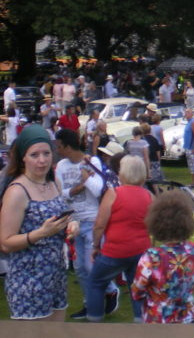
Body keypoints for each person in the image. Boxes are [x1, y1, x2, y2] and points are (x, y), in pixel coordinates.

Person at [0, 125, 79, 321]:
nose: (42, 160)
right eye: (34, 155)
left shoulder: (54, 184)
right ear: (23, 158)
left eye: (46, 153)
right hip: (28, 281)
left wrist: (71, 225)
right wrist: (41, 233)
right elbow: (5, 243)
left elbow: (59, 219)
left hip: (56, 277)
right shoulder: (17, 191)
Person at [54, 128, 119, 319]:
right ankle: (89, 303)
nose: (57, 150)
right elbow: (61, 194)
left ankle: (111, 290)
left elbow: (99, 190)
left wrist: (86, 180)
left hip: (92, 221)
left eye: (59, 146)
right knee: (81, 269)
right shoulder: (61, 166)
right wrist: (79, 187)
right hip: (73, 222)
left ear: (67, 146)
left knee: (92, 266)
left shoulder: (92, 161)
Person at [87, 155, 153, 322]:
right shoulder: (149, 196)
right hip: (140, 250)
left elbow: (100, 224)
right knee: (137, 287)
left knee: (95, 282)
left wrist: (95, 246)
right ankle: (141, 323)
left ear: (122, 173)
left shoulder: (113, 193)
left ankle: (94, 321)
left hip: (115, 250)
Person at [131, 190, 194, 323]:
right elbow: (193, 281)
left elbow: (137, 291)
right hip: (188, 317)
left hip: (159, 319)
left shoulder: (152, 257)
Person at [182, 108, 194, 188]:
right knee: (191, 165)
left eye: (188, 113)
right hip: (187, 147)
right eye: (185, 113)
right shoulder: (188, 122)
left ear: (191, 114)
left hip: (191, 147)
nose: (186, 114)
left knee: (193, 165)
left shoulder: (193, 122)